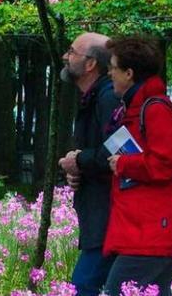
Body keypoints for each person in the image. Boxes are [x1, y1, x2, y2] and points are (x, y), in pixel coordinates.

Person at [103, 37, 172, 296]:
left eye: (113, 67)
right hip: (146, 228)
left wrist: (124, 163)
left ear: (129, 73)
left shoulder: (155, 109)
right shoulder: (136, 108)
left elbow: (165, 163)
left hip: (152, 230)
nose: (109, 73)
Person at [57, 32, 119, 296]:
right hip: (100, 217)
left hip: (109, 218)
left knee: (84, 285)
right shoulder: (94, 97)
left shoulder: (108, 98)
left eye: (71, 52)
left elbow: (119, 149)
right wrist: (77, 169)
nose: (65, 56)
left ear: (91, 64)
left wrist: (78, 160)